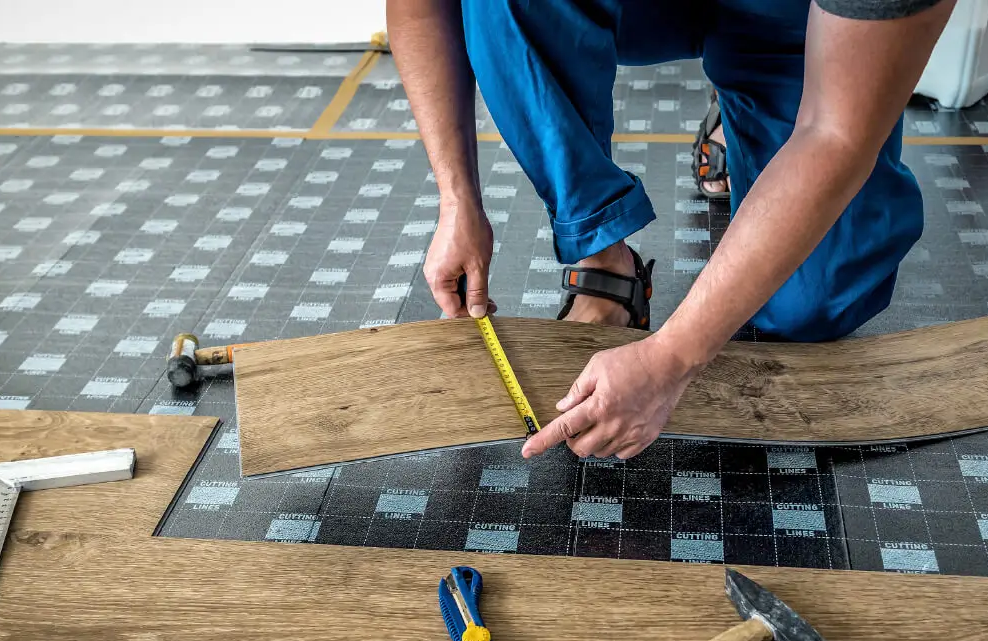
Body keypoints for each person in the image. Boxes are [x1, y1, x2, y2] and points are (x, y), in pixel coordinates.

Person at [388, 0, 955, 461]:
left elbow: (835, 134)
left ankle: (749, 117)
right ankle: (604, 261)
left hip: (795, 23)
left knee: (811, 307)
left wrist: (671, 360)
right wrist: (457, 198)